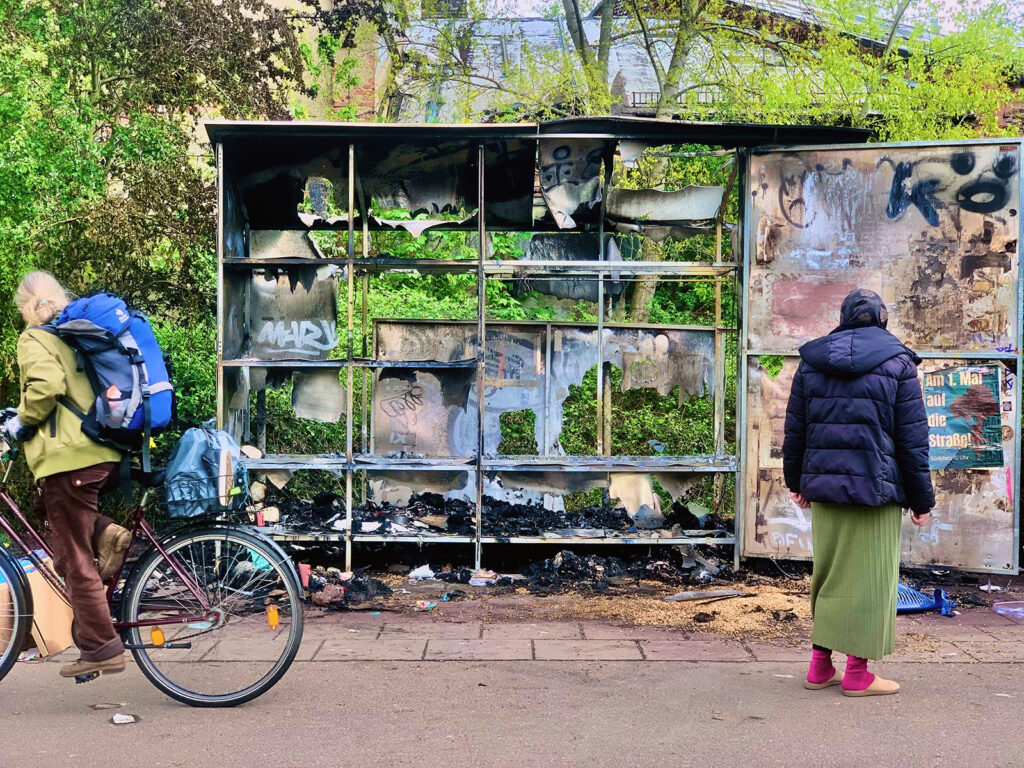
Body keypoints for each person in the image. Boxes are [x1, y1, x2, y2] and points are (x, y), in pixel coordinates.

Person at [782, 288, 934, 697]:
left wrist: (795, 482)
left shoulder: (811, 363)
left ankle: (819, 667)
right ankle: (857, 674)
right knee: (870, 580)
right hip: (877, 491)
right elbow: (912, 441)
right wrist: (922, 501)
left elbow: (796, 430)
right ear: (883, 320)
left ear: (845, 317)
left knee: (828, 576)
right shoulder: (899, 363)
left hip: (826, 491)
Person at [3, 272, 131, 679]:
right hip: (99, 452)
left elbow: (46, 386)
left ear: (25, 308)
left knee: (75, 561)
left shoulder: (34, 337)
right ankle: (105, 531)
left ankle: (101, 648)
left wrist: (20, 424)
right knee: (54, 517)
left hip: (68, 460)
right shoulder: (72, 332)